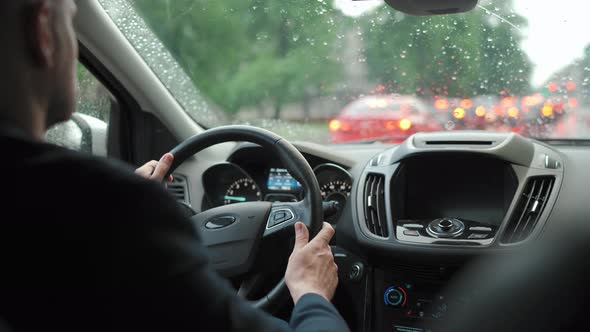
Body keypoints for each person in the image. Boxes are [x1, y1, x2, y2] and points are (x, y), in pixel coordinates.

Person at [0, 1, 348, 331]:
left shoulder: (83, 210)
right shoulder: (115, 211)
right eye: (71, 21)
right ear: (43, 29)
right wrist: (310, 292)